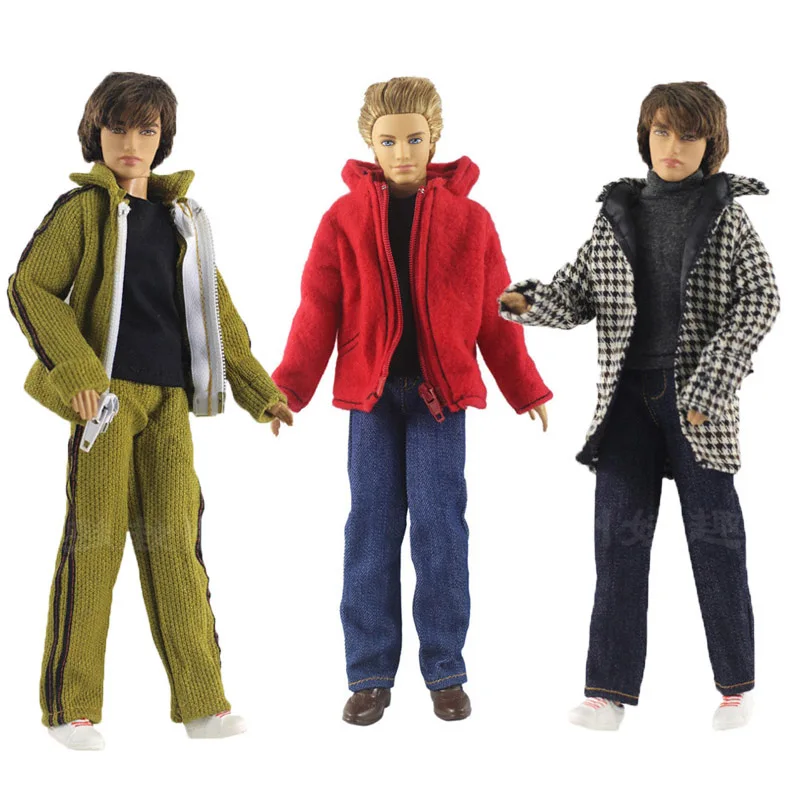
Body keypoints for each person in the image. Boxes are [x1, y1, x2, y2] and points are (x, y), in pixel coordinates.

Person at [8, 71, 292, 749]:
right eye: (117, 128)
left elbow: (221, 321)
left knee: (176, 547)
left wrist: (261, 393)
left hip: (168, 404)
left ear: (163, 139)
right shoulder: (83, 212)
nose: (131, 142)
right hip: (106, 403)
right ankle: (71, 706)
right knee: (95, 544)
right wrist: (78, 373)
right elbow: (30, 288)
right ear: (96, 133)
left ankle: (203, 702)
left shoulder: (184, 221)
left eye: (147, 129)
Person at [500, 81, 780, 731]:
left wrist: (711, 384)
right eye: (661, 132)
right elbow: (576, 292)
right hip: (626, 403)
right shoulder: (617, 214)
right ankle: (607, 692)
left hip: (697, 403)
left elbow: (761, 299)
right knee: (618, 545)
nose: (672, 146)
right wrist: (522, 302)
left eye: (689, 135)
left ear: (712, 145)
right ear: (644, 136)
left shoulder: (727, 217)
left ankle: (737, 686)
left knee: (716, 541)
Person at [271, 76, 551, 725]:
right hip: (370, 398)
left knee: (439, 527)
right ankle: (369, 674)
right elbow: (317, 309)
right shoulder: (342, 219)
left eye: (415, 139)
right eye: (389, 140)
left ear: (435, 140)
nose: (403, 152)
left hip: (439, 398)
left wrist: (524, 388)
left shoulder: (471, 221)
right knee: (370, 527)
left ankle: (445, 670)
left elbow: (496, 311)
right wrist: (287, 389)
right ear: (370, 143)